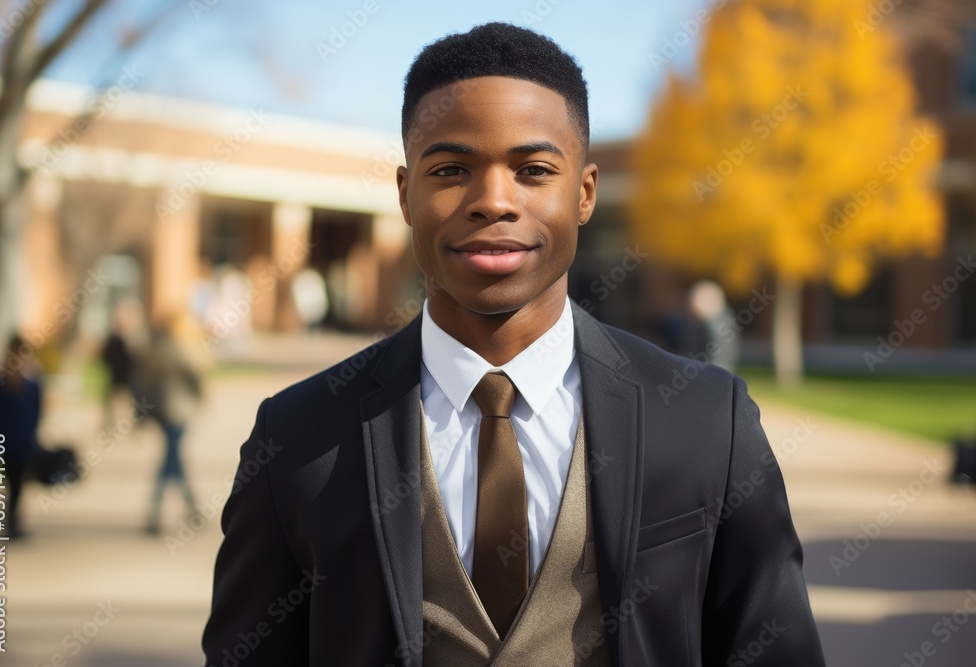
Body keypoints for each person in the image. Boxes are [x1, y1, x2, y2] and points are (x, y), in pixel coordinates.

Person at [203, 22, 825, 666]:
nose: (493, 201)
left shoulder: (705, 421)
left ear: (584, 193)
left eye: (532, 170)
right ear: (405, 194)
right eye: (450, 170)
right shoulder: (299, 439)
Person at [138, 314, 203, 535]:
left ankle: (188, 511)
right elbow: (195, 377)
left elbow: (145, 384)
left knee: (173, 461)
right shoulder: (179, 349)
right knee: (170, 462)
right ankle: (165, 514)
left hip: (163, 413)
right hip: (177, 412)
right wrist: (200, 399)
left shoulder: (156, 351)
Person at [0, 333, 43, 539]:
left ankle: (12, 519)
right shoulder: (1, 381)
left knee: (18, 482)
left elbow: (37, 410)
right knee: (10, 482)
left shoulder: (31, 380)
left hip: (22, 440)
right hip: (8, 441)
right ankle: (10, 520)